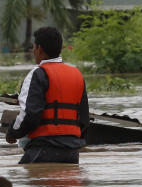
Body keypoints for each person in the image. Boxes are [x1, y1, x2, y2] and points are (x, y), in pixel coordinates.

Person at [5, 26, 89, 163]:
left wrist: (12, 133)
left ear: (39, 49)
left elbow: (30, 115)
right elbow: (84, 119)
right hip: (72, 153)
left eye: (33, 47)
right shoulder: (77, 74)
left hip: (43, 148)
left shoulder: (37, 74)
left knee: (22, 181)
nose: (33, 51)